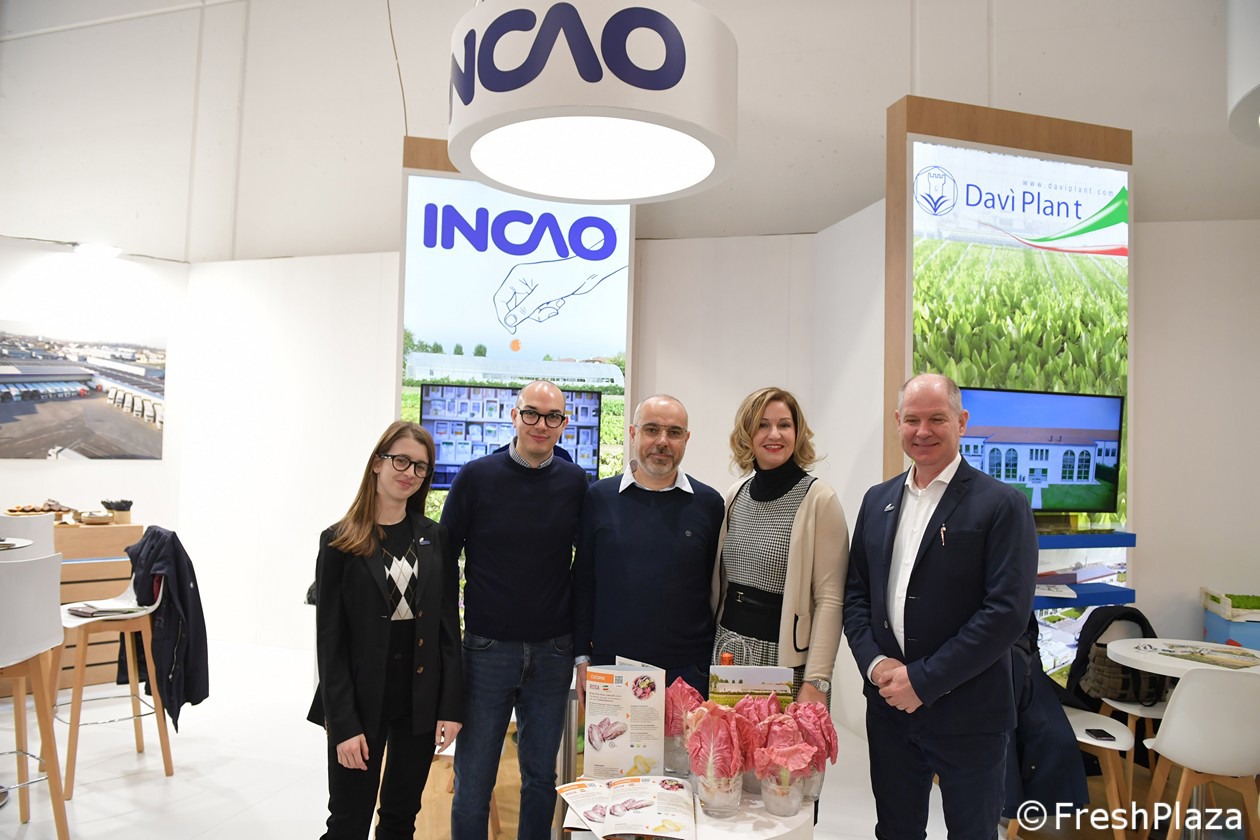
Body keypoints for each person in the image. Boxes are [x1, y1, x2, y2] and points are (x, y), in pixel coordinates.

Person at [842, 373, 1038, 840]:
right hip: (890, 709)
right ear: (898, 421)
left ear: (962, 422)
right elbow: (856, 595)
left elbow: (1005, 614)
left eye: (937, 419)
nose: (923, 431)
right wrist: (875, 664)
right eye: (912, 420)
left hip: (970, 715)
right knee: (895, 830)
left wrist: (923, 680)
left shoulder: (1003, 505)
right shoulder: (877, 500)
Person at [441, 380, 589, 840]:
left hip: (553, 652)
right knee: (473, 781)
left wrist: (582, 650)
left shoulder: (575, 483)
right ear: (514, 416)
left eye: (552, 417)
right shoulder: (476, 477)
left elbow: (586, 568)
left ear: (564, 424)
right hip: (487, 650)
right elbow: (444, 560)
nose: (541, 425)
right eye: (532, 413)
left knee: (541, 779)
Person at [308, 420, 462, 840]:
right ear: (377, 463)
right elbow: (330, 644)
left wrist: (450, 706)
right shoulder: (338, 541)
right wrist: (343, 725)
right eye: (401, 461)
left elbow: (448, 628)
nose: (409, 472)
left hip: (418, 698)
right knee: (347, 822)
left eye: (420, 467)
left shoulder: (435, 538)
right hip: (359, 701)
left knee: (400, 819)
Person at [574, 394, 724, 698]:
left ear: (686, 439)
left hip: (688, 673)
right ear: (633, 434)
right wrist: (581, 658)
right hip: (612, 670)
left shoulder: (709, 504)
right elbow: (583, 581)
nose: (662, 441)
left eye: (674, 432)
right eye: (651, 430)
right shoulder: (599, 498)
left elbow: (715, 588)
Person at [710, 386, 849, 704]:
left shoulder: (819, 499)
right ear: (747, 433)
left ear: (797, 434)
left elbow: (830, 599)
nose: (774, 434)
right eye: (763, 425)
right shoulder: (735, 495)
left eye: (784, 424)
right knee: (728, 739)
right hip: (728, 651)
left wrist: (817, 680)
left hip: (782, 661)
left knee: (779, 740)